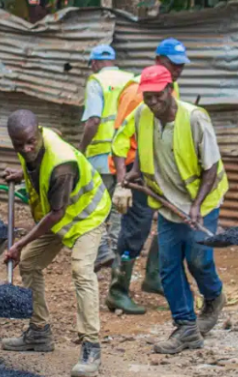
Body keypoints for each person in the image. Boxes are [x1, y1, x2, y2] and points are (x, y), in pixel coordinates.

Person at [116, 65, 228, 354]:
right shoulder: (143, 114)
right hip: (166, 203)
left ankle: (214, 297)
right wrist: (134, 172)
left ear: (169, 90)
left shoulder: (194, 119)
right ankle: (186, 327)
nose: (152, 103)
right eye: (147, 97)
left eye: (157, 97)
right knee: (168, 267)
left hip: (200, 201)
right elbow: (142, 145)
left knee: (199, 260)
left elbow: (211, 167)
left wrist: (196, 205)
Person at [1, 110, 111, 377]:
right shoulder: (33, 142)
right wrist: (21, 173)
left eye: (30, 142)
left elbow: (56, 214)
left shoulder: (62, 164)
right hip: (59, 217)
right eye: (19, 145)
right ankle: (39, 333)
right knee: (29, 263)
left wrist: (18, 243)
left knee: (81, 271)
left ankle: (91, 348)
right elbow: (37, 167)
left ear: (38, 132)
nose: (26, 149)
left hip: (86, 217)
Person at [107, 37, 192, 314]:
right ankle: (117, 290)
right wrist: (124, 182)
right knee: (135, 231)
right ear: (159, 60)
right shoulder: (137, 94)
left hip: (158, 169)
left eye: (181, 66)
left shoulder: (172, 87)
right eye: (173, 64)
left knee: (169, 218)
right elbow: (119, 140)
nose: (178, 70)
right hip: (135, 170)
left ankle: (153, 277)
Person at [78, 44, 135, 272]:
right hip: (127, 156)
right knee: (119, 206)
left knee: (95, 205)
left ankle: (101, 251)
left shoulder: (96, 82)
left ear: (94, 63)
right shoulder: (131, 80)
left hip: (102, 157)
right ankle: (115, 255)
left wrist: (81, 147)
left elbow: (93, 120)